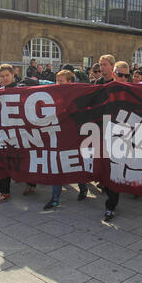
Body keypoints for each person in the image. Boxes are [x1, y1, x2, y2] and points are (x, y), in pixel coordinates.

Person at [0, 64, 37, 204]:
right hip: (4, 133)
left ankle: (31, 183)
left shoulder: (21, 89)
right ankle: (4, 191)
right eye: (2, 76)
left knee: (24, 159)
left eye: (7, 75)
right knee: (3, 161)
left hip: (21, 133)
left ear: (13, 75)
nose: (4, 78)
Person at [43, 70, 89, 210]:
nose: (58, 84)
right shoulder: (54, 93)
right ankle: (55, 198)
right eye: (57, 80)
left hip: (73, 135)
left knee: (75, 162)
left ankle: (83, 186)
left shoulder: (77, 94)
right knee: (57, 165)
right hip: (58, 134)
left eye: (61, 81)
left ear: (70, 81)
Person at [102, 61, 132, 221]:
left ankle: (111, 204)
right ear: (113, 74)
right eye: (120, 74)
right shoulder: (102, 88)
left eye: (126, 75)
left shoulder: (134, 90)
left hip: (126, 136)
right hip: (106, 135)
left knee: (118, 170)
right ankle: (111, 203)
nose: (123, 78)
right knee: (109, 170)